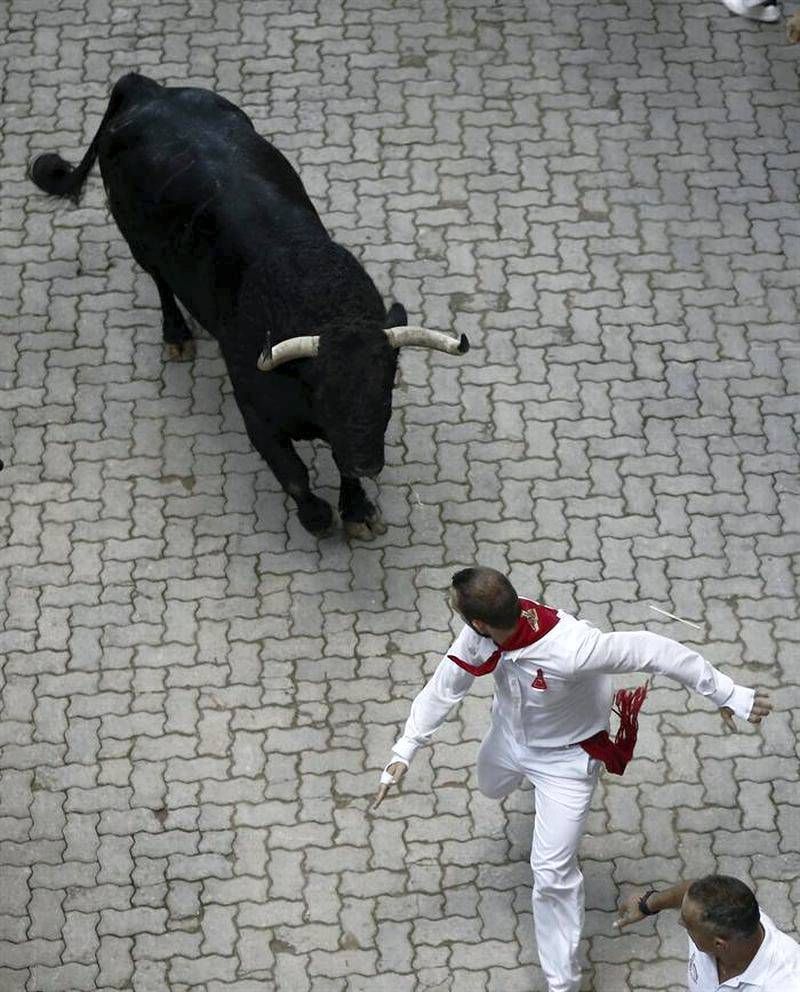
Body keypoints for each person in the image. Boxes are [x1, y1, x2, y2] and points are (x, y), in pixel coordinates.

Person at [371, 567, 773, 992]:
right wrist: (405, 749)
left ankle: (562, 981)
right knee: (490, 785)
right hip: (509, 740)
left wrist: (726, 693)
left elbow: (658, 651)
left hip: (565, 763)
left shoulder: (576, 649)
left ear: (481, 621)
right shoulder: (479, 638)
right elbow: (443, 687)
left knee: (551, 872)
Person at [615, 875, 800, 990]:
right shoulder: (712, 916)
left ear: (718, 944)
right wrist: (648, 903)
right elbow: (690, 891)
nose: (680, 922)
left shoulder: (786, 983)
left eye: (688, 925)